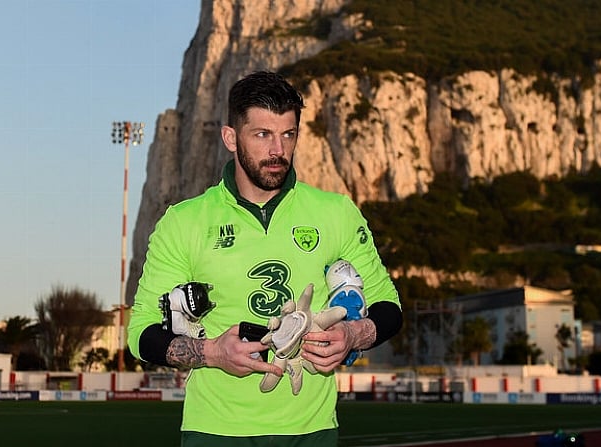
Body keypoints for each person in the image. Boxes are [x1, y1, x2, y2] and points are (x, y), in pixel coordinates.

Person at [127, 71, 403, 447]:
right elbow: (141, 332)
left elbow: (389, 307)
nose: (278, 150)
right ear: (231, 138)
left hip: (312, 431)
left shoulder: (335, 212)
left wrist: (352, 335)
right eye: (262, 135)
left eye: (288, 134)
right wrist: (212, 353)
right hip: (216, 432)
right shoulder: (184, 221)